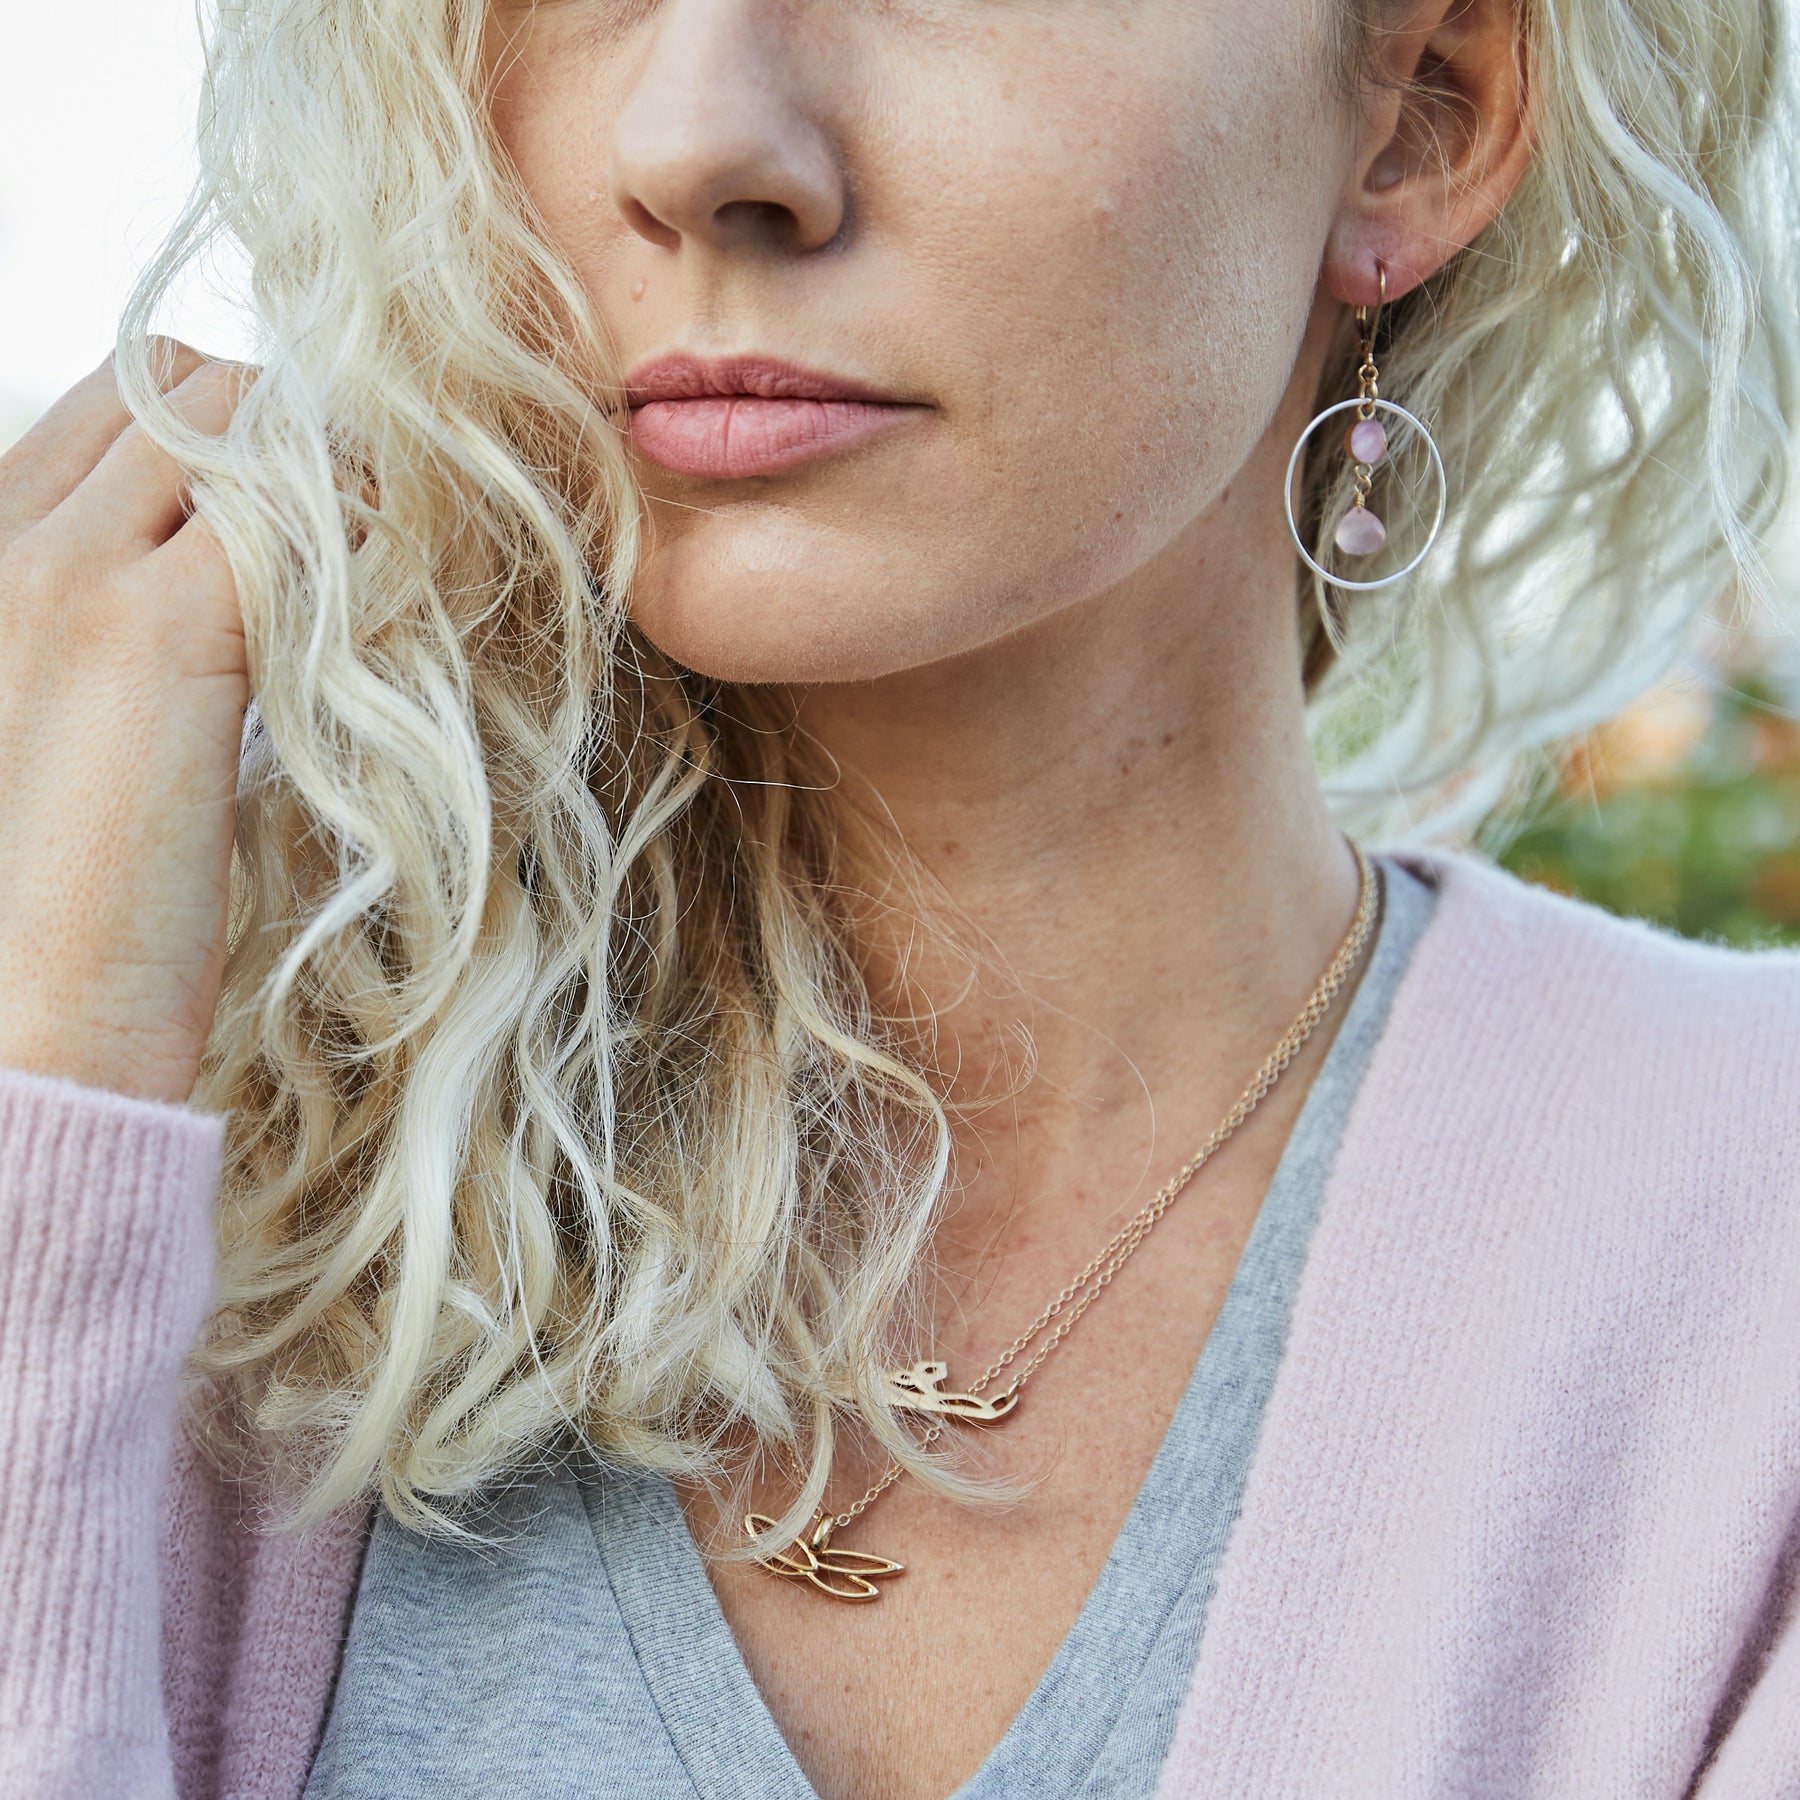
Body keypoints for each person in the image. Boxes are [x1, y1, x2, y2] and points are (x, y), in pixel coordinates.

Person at [1, 0, 1797, 1794]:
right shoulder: (157, 1144)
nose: (696, 144)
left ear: (1421, 113)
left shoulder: (1748, 1263)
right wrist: (48, 1091)